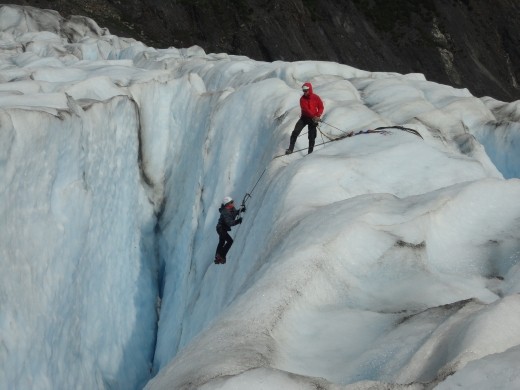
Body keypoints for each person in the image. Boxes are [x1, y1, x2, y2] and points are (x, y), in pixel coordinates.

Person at [285, 82, 324, 155]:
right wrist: (314, 117)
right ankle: (290, 149)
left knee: (312, 136)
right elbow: (306, 109)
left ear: (310, 89)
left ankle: (310, 153)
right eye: (303, 90)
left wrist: (318, 115)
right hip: (304, 118)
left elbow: (321, 107)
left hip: (313, 120)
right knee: (295, 132)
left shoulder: (316, 97)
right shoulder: (302, 99)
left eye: (306, 90)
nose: (305, 92)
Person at [214, 196, 245, 264]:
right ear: (227, 204)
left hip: (221, 229)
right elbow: (230, 223)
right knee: (230, 241)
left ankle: (218, 256)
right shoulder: (225, 212)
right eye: (231, 202)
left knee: (222, 242)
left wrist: (241, 210)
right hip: (221, 229)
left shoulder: (231, 209)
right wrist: (238, 221)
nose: (233, 203)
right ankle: (221, 256)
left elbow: (234, 213)